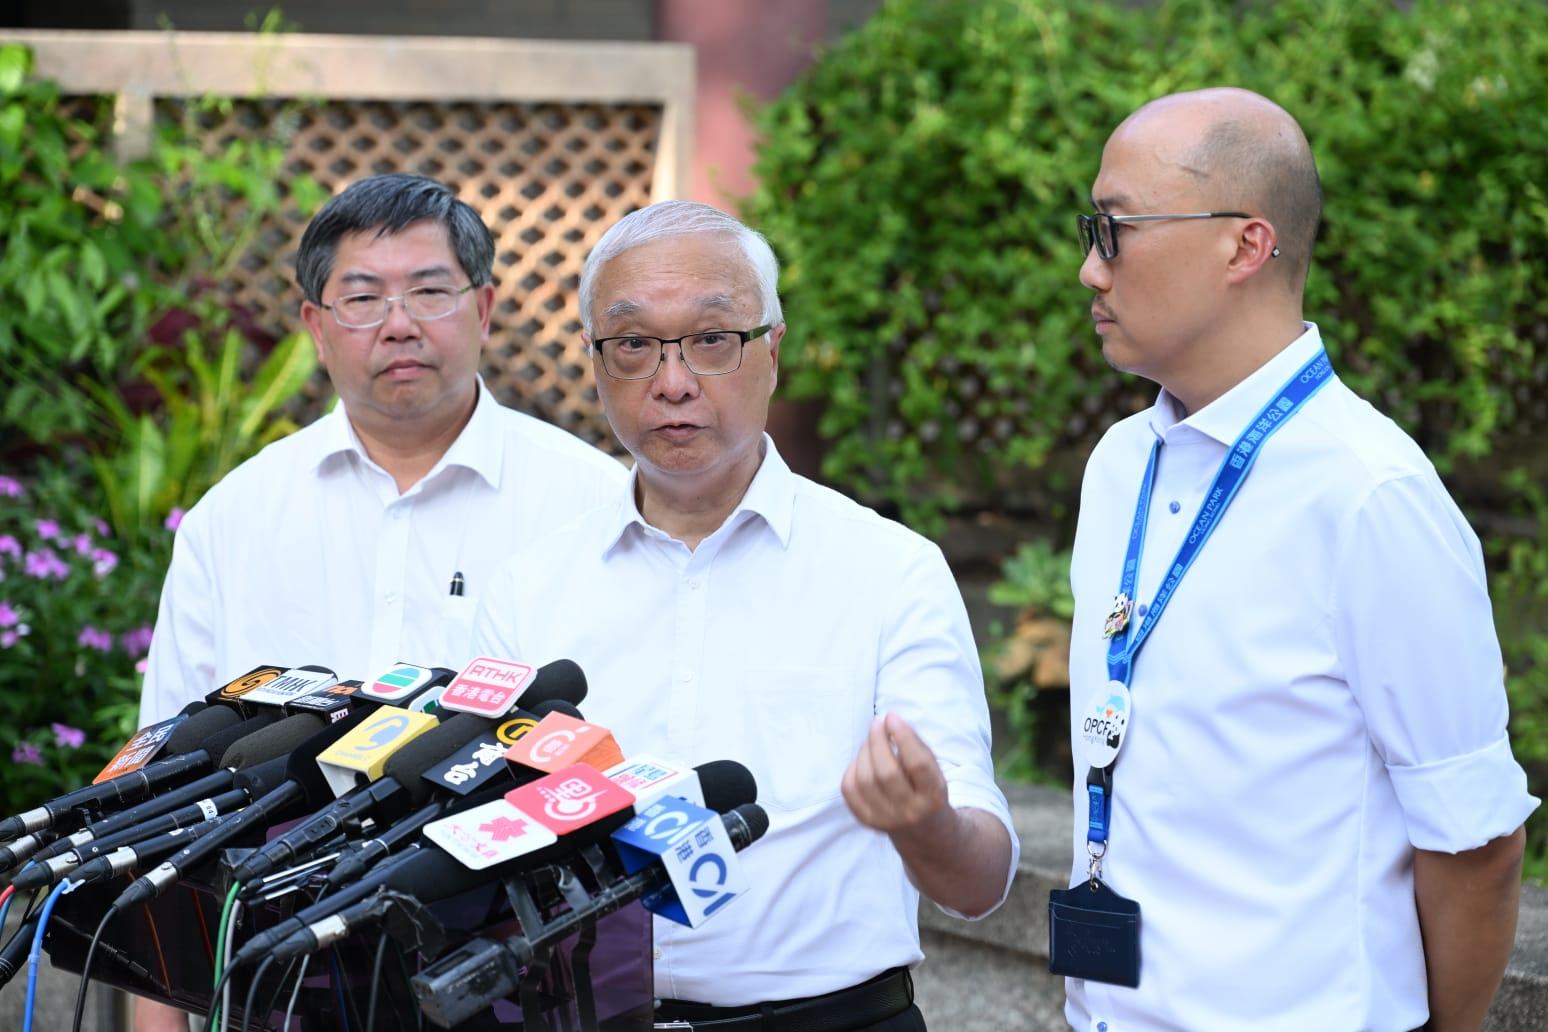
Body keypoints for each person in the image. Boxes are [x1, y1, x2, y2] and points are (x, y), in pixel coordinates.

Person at [473, 200, 1017, 1030]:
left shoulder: (889, 571)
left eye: (711, 338)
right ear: (596, 362)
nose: (673, 381)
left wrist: (927, 823)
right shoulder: (528, 587)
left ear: (772, 352)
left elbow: (979, 885)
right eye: (633, 344)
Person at [1063, 87, 1536, 1031]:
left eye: (1115, 231)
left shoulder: (1370, 495)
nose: (1089, 270)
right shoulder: (1121, 464)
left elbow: (1477, 847)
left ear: (1245, 246)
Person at [134, 173, 626, 1031]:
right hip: (272, 976)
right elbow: (161, 793)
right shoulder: (234, 519)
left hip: (521, 971)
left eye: (430, 291)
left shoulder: (592, 504)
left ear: (483, 309)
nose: (399, 324)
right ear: (315, 326)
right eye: (362, 298)